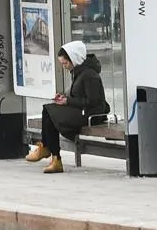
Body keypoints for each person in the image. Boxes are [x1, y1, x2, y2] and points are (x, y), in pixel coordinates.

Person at [26, 40, 109, 175]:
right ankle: (51, 153)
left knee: (50, 112)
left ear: (74, 59)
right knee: (49, 110)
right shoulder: (78, 72)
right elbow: (77, 94)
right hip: (81, 110)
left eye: (65, 63)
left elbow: (93, 101)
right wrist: (64, 97)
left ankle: (52, 154)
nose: (64, 66)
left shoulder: (89, 75)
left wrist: (67, 101)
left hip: (91, 114)